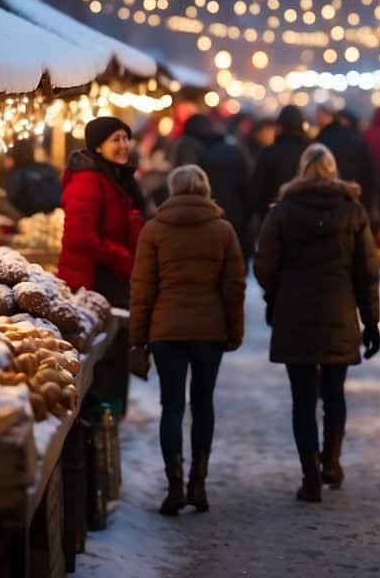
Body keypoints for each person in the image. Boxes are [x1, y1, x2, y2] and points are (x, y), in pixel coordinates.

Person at [255, 144, 380, 503]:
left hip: (295, 314)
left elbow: (264, 265)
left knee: (303, 399)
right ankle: (332, 462)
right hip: (339, 313)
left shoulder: (282, 213)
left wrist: (277, 293)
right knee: (335, 394)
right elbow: (367, 272)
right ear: (333, 170)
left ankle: (310, 475)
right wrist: (370, 321)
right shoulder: (352, 211)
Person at [129, 165, 246, 516]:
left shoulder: (154, 230)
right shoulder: (223, 230)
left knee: (172, 407)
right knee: (203, 404)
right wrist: (234, 330)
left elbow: (142, 288)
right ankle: (199, 484)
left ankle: (175, 486)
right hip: (210, 332)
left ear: (172, 190)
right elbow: (234, 287)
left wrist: (138, 338)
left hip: (166, 331)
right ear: (206, 189)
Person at [58, 116, 145, 414]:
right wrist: (121, 256)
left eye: (125, 138)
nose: (123, 145)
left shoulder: (115, 177)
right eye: (115, 140)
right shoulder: (88, 180)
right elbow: (80, 236)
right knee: (105, 358)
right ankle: (100, 418)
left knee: (116, 352)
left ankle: (110, 419)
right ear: (98, 146)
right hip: (94, 281)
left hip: (113, 278)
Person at [175, 114, 255, 263]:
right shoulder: (235, 151)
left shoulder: (196, 154)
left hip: (206, 226)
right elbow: (248, 191)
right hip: (236, 223)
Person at [252, 104, 310, 221]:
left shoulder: (268, 153)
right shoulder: (311, 151)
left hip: (275, 218)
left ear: (280, 125)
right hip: (308, 217)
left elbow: (257, 191)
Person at [317, 109, 379, 218]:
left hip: (325, 207)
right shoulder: (359, 142)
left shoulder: (322, 141)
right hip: (356, 204)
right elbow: (370, 178)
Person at [0, 139, 63, 219]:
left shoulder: (17, 173)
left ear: (14, 157)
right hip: (55, 213)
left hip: (29, 216)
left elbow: (11, 197)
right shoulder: (48, 168)